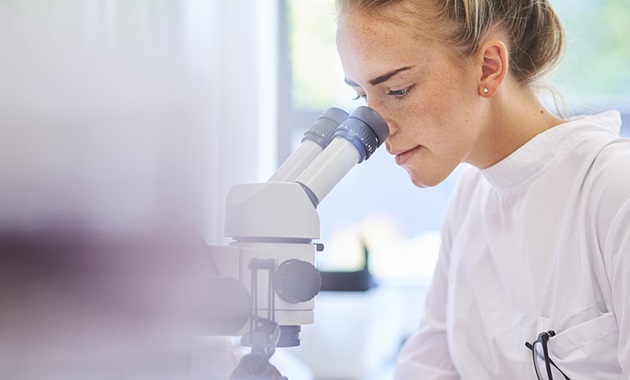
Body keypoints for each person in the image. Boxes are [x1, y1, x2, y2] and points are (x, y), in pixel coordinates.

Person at [334, 0, 629, 379]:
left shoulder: (614, 190)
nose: (379, 129)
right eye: (362, 97)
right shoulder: (471, 198)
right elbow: (427, 367)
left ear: (489, 67)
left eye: (398, 90)